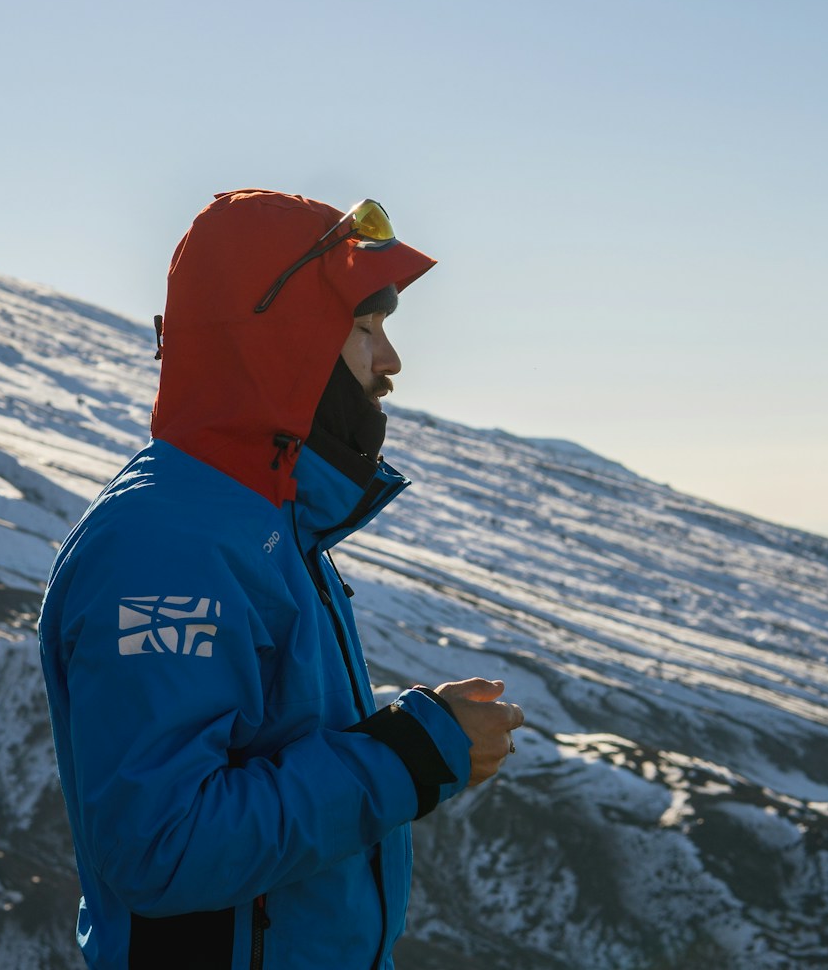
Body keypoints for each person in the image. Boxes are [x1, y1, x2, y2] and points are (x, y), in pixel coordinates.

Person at [38, 189, 524, 969]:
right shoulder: (166, 549)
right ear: (286, 343)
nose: (391, 361)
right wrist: (412, 753)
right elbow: (165, 847)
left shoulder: (259, 525)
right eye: (364, 330)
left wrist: (418, 744)